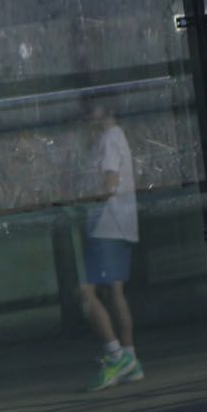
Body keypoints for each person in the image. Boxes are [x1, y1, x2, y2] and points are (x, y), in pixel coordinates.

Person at [78, 102, 143, 391]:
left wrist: (81, 202)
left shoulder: (109, 139)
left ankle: (116, 356)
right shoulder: (114, 137)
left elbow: (110, 183)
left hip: (107, 224)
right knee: (115, 291)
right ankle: (129, 358)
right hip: (118, 224)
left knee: (84, 292)